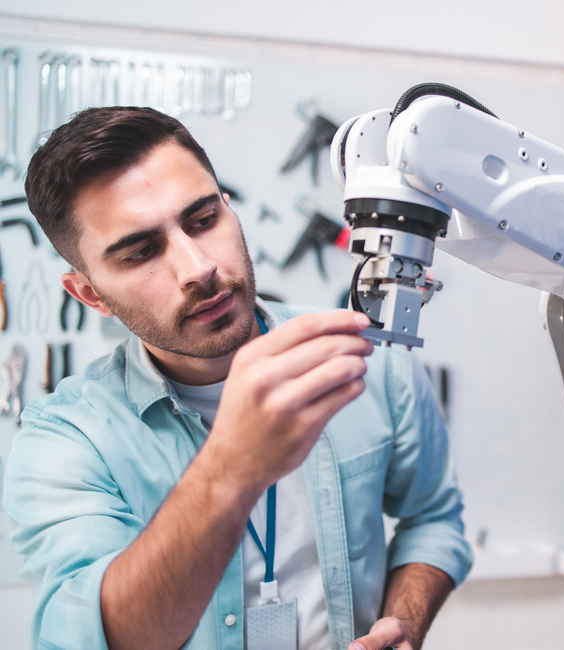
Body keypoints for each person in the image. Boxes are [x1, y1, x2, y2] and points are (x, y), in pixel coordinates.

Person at [3, 106, 472, 650]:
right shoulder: (65, 442)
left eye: (203, 220)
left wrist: (406, 621)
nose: (197, 266)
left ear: (230, 209)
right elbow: (106, 639)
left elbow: (434, 518)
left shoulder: (369, 355)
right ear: (90, 294)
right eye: (141, 252)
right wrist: (230, 468)